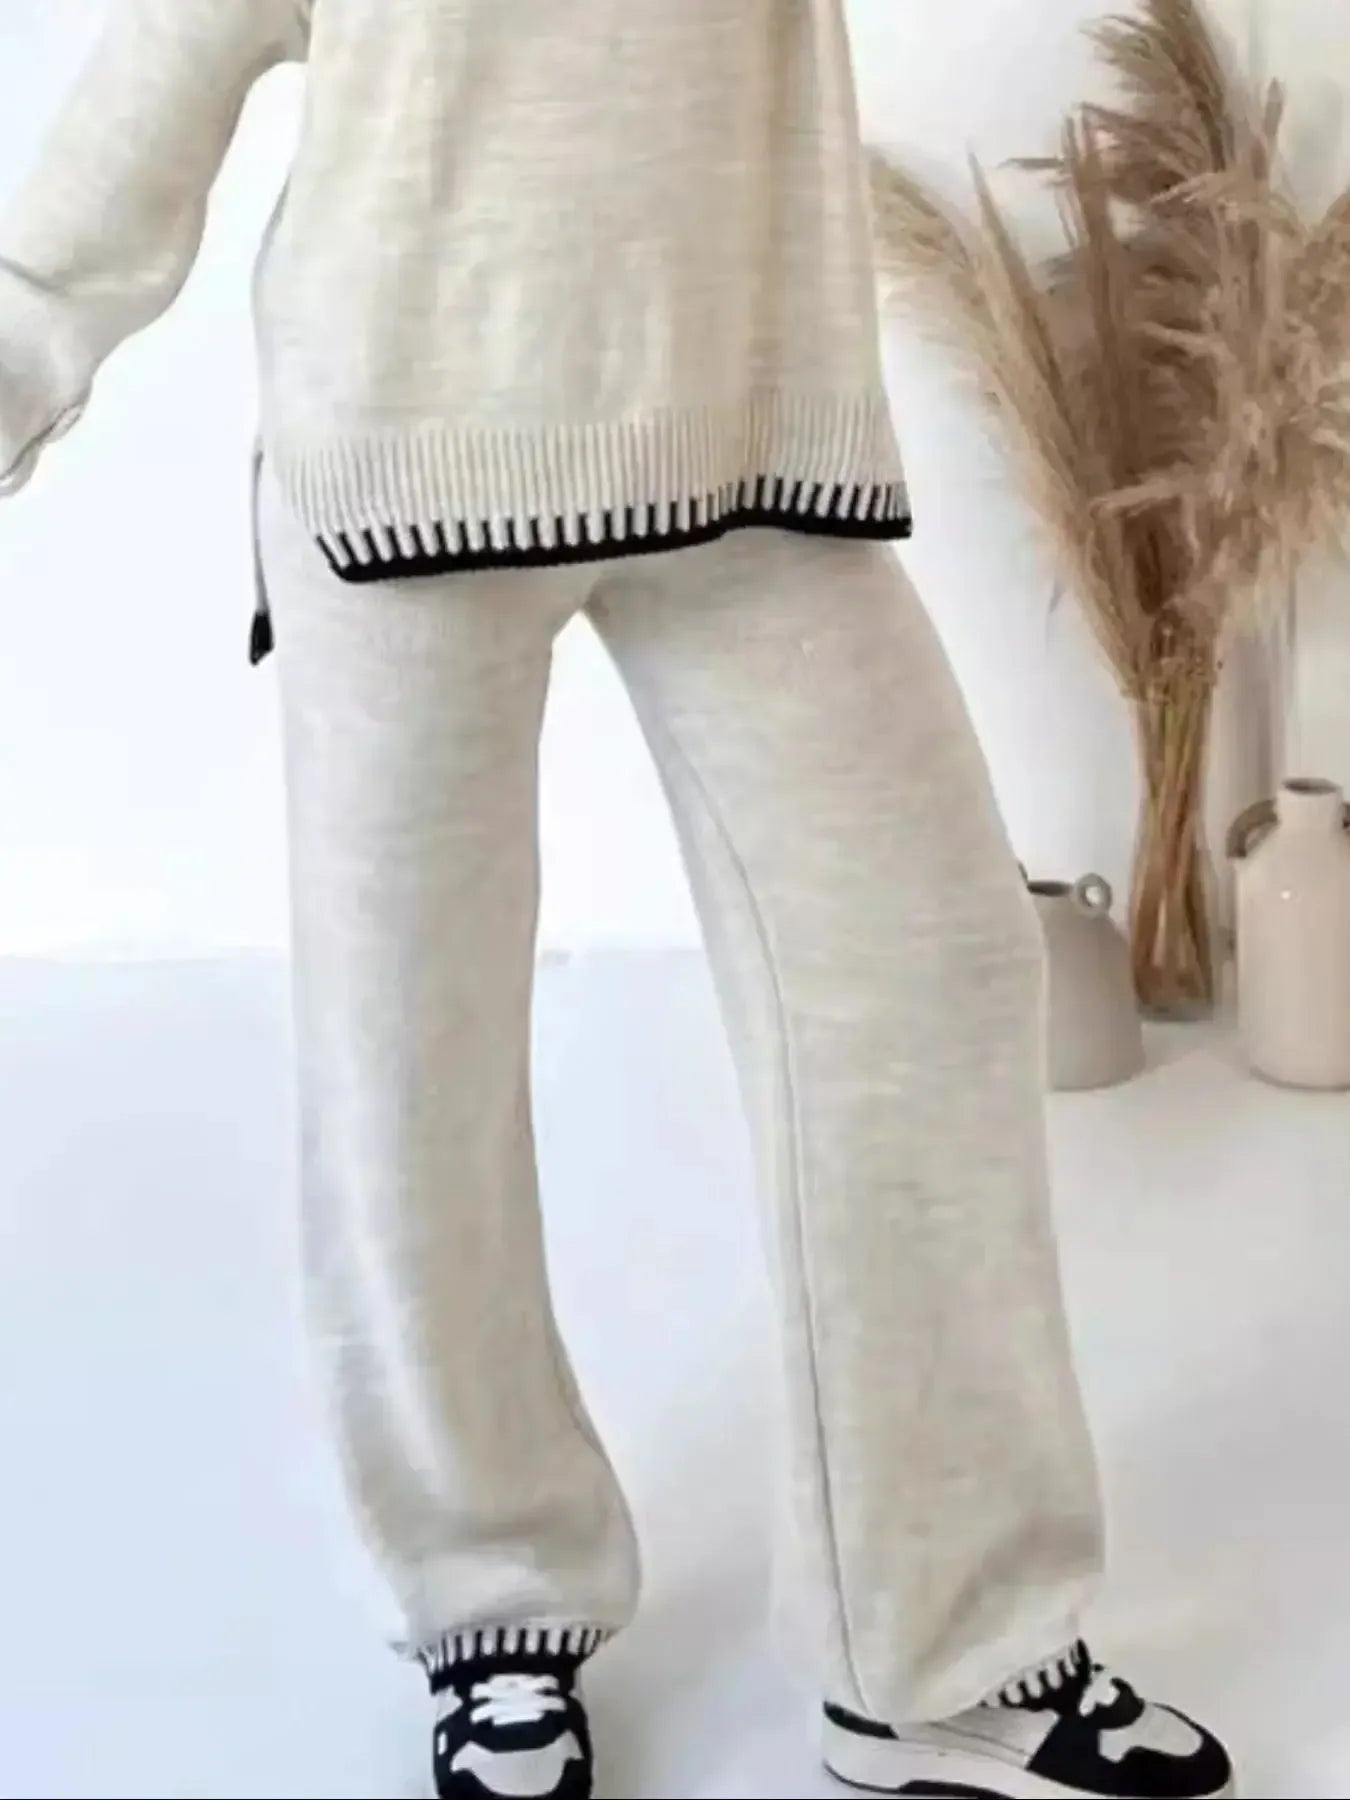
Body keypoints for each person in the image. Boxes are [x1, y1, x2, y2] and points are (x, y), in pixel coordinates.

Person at [0, 4, 1235, 1798]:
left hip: (746, 447)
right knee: (411, 1065)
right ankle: (491, 1599)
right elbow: (173, 52)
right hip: (404, 447)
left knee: (933, 974)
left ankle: (943, 1640)